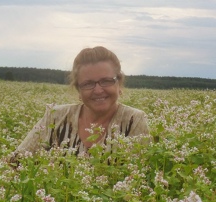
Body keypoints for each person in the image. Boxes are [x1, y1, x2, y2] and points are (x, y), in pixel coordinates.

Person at [10, 46, 150, 160]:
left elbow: (143, 175)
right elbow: (15, 163)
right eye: (88, 84)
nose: (98, 90)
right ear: (78, 89)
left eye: (106, 81)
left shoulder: (134, 121)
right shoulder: (55, 117)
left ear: (118, 83)